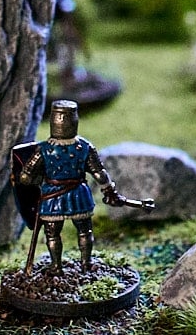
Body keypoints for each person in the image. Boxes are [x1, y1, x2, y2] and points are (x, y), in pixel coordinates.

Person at [12, 100, 127, 272]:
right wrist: (110, 190)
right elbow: (99, 174)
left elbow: (25, 177)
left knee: (52, 233)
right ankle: (85, 263)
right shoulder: (85, 147)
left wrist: (32, 179)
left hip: (52, 197)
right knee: (85, 231)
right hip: (79, 195)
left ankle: (56, 266)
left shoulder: (43, 149)